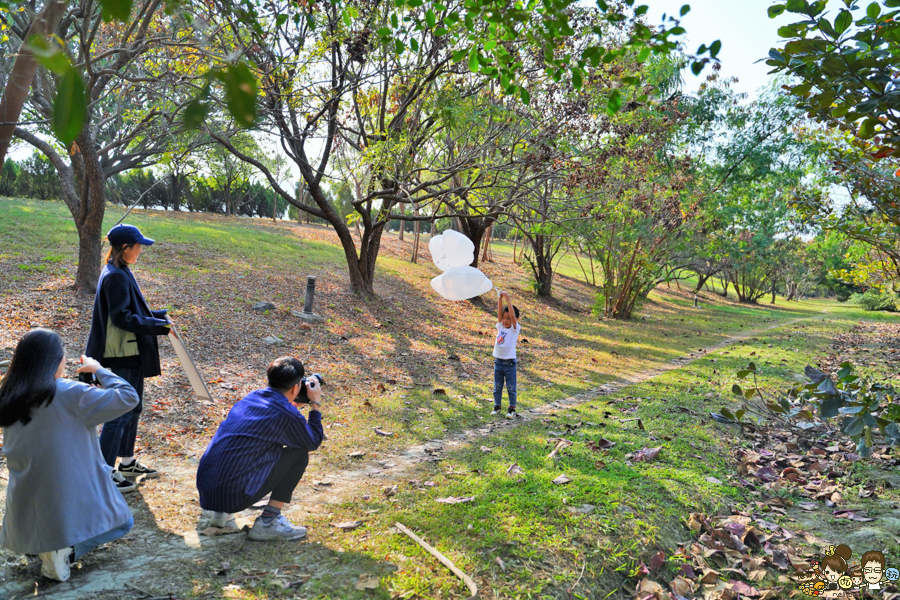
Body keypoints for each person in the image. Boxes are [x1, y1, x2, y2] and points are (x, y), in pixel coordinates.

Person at [0, 329, 139, 582]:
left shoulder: (8, 392)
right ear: (54, 360)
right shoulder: (70, 393)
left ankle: (43, 547)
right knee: (123, 522)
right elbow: (129, 397)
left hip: (25, 497)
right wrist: (98, 369)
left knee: (44, 517)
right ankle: (66, 551)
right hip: (67, 488)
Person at [84, 223, 172, 493]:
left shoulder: (120, 271)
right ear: (125, 248)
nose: (140, 251)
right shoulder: (115, 277)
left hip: (130, 352)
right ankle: (103, 471)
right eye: (138, 247)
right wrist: (157, 327)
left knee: (132, 408)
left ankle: (127, 462)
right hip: (122, 353)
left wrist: (159, 315)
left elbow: (133, 309)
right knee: (119, 413)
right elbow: (122, 318)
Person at [196, 357, 323, 541]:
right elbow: (312, 442)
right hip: (234, 496)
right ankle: (269, 522)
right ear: (296, 388)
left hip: (208, 492)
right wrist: (315, 404)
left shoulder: (251, 397)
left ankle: (221, 513)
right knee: (298, 454)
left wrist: (293, 405)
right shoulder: (286, 414)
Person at [491, 290, 520, 418]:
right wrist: (500, 299)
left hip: (509, 363)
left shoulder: (515, 329)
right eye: (504, 318)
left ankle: (511, 409)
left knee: (510, 387)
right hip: (498, 361)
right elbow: (499, 313)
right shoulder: (500, 327)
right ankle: (497, 407)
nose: (505, 320)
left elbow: (512, 317)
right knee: (497, 387)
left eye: (508, 318)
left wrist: (508, 300)